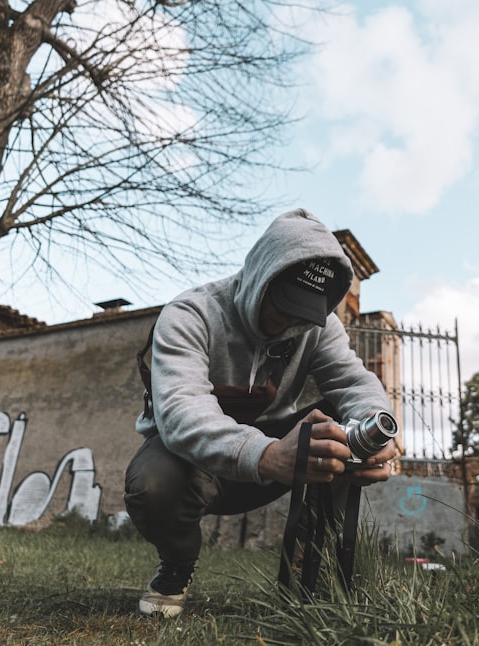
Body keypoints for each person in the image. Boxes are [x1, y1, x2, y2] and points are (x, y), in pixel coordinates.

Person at [124, 208, 397, 618]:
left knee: (343, 425)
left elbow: (354, 383)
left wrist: (375, 432)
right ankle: (177, 564)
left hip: (278, 456)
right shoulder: (190, 315)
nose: (290, 322)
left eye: (303, 312)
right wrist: (266, 455)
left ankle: (308, 562)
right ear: (258, 276)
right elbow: (181, 411)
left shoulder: (316, 326)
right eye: (283, 304)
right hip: (192, 463)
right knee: (152, 483)